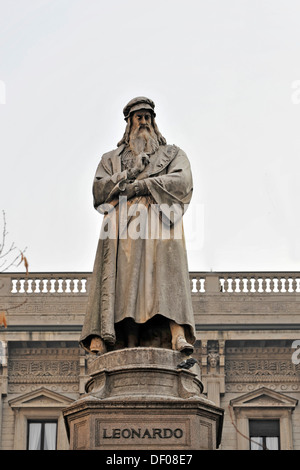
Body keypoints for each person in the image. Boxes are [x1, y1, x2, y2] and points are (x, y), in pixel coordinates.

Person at [80, 97, 196, 355]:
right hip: (124, 229)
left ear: (154, 122)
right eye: (138, 117)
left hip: (160, 222)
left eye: (147, 117)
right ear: (129, 123)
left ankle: (177, 334)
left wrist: (142, 186)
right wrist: (128, 174)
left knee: (167, 274)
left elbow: (183, 181)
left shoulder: (173, 154)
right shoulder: (112, 160)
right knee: (126, 285)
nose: (143, 122)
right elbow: (98, 191)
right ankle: (126, 341)